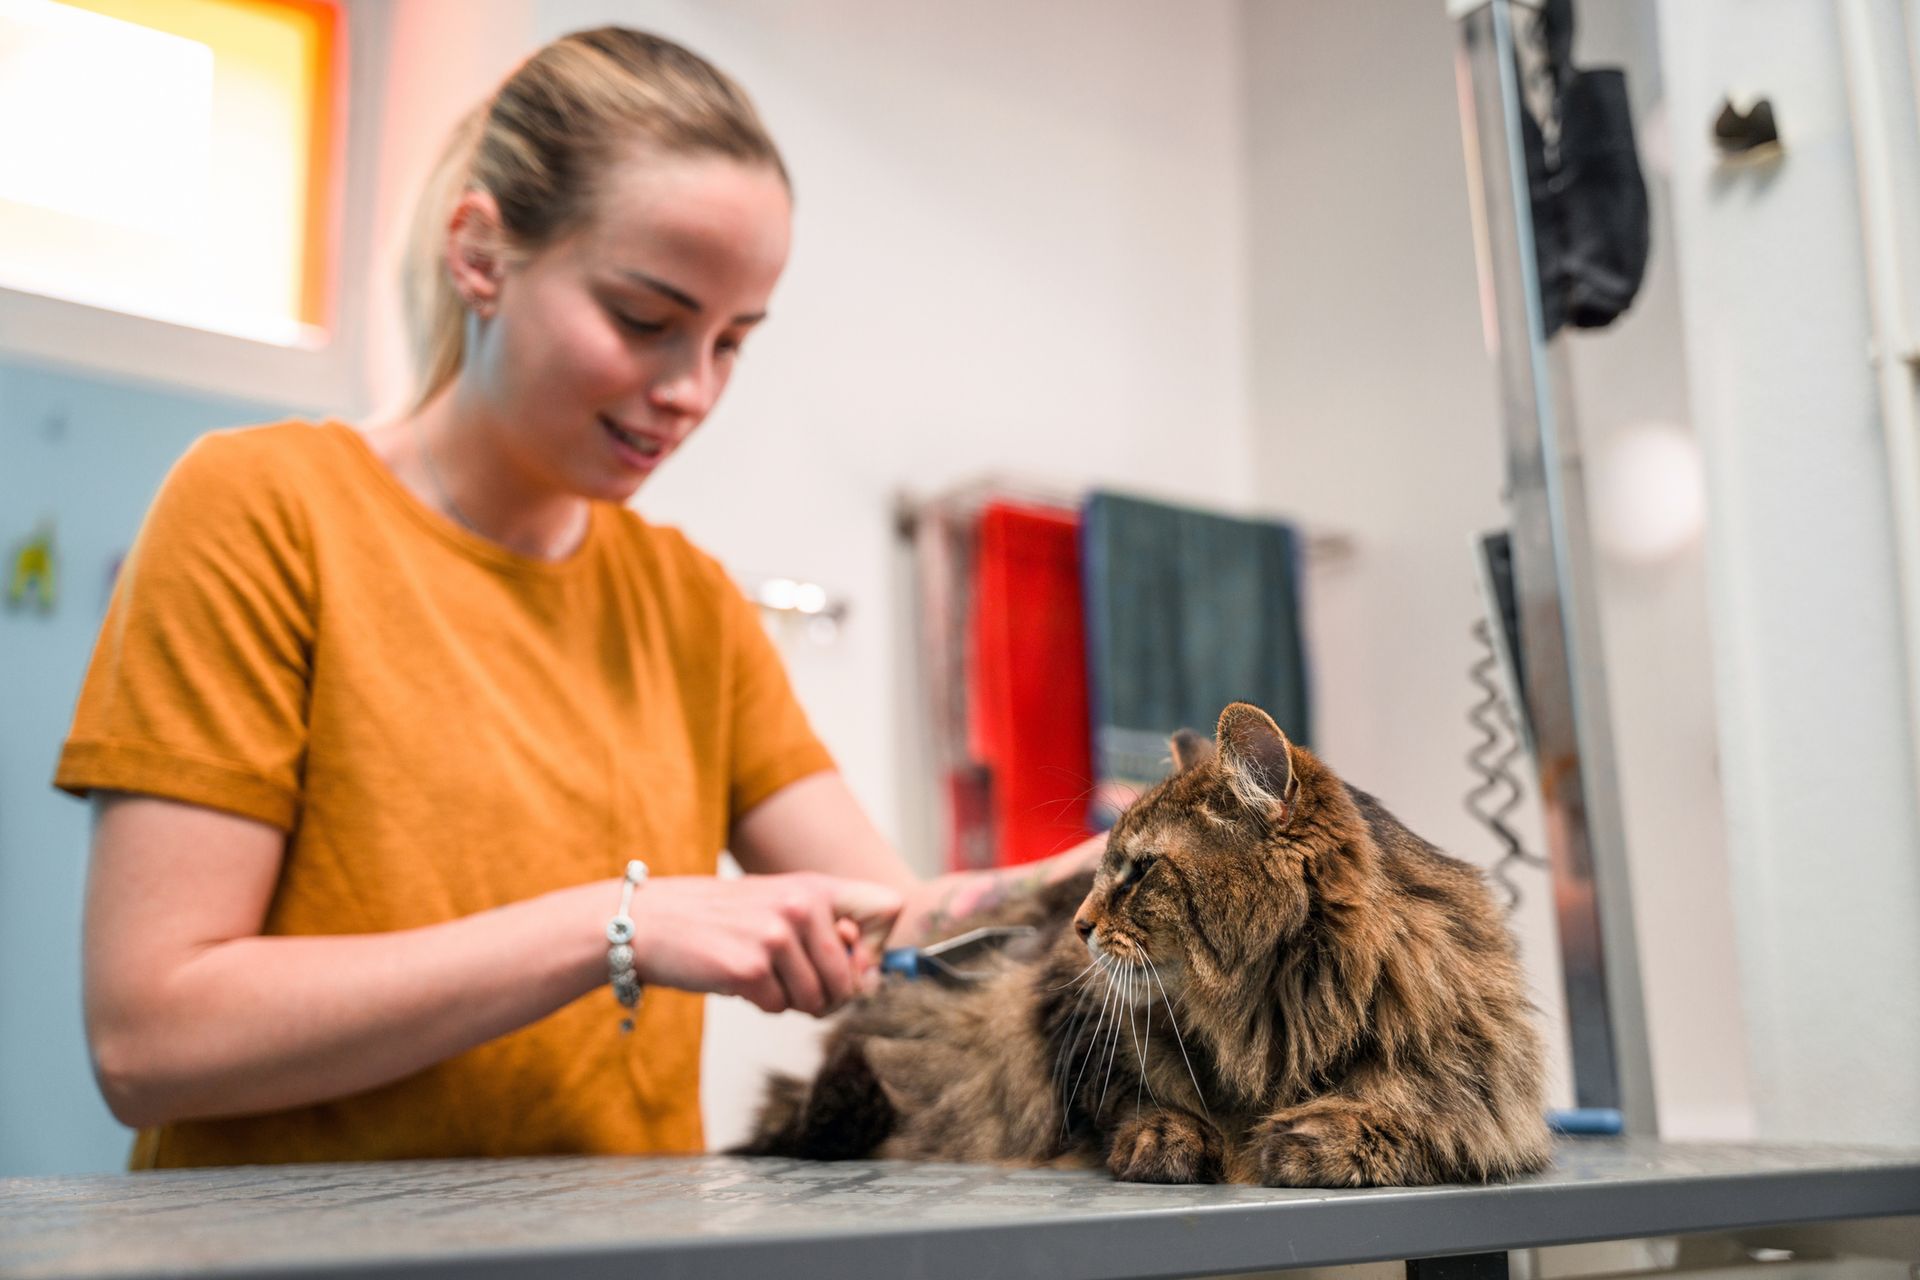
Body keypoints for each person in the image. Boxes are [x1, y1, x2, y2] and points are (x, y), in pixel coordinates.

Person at [55, 26, 1100, 1170]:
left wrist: (1095, 872)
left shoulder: (685, 601)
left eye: (732, 341)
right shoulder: (261, 510)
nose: (691, 389)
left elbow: (893, 922)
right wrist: (616, 924)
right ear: (481, 252)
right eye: (646, 320)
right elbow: (151, 1035)